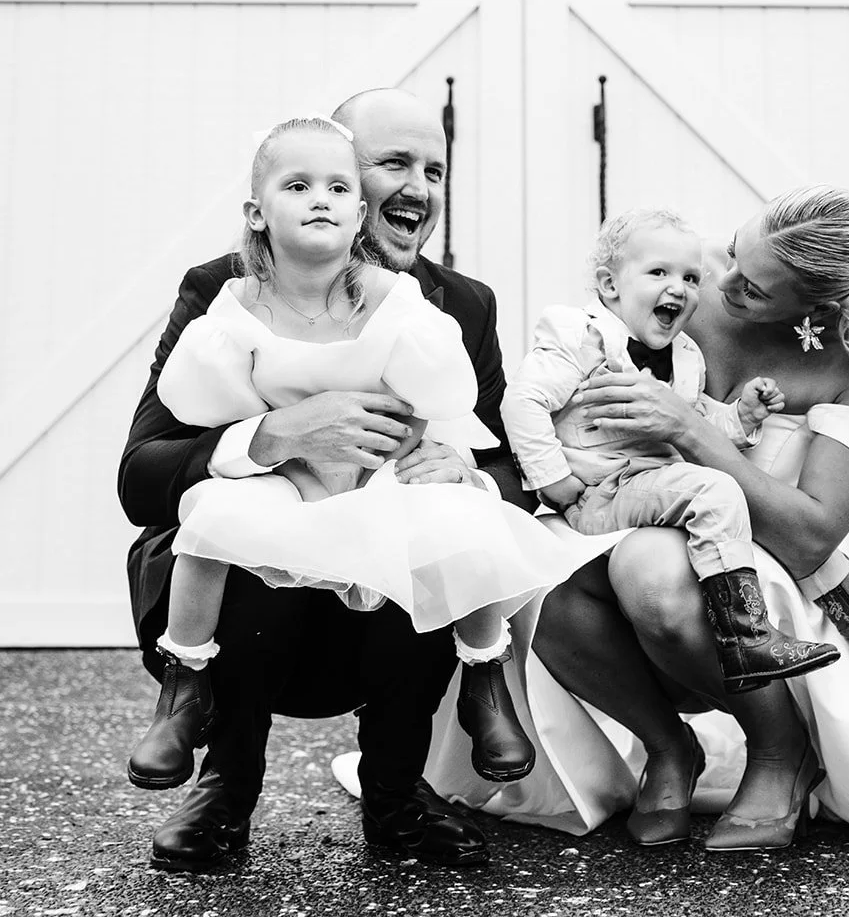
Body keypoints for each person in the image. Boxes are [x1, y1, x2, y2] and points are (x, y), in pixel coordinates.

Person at [418, 186, 849, 848]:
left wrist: (691, 431)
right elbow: (562, 393)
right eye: (731, 254)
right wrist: (489, 465)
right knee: (541, 571)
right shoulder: (682, 277)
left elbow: (812, 536)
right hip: (631, 505)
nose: (719, 283)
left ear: (815, 308)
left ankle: (780, 748)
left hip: (770, 554)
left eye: (753, 288)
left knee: (650, 569)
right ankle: (668, 745)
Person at [127, 116, 611, 806]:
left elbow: (509, 463)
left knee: (443, 527)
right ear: (263, 208)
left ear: (352, 206)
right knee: (227, 524)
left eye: (434, 171)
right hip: (274, 542)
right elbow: (142, 475)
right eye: (393, 163)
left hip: (384, 519)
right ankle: (221, 784)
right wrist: (272, 435)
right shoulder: (226, 289)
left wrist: (464, 473)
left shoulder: (457, 304)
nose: (418, 187)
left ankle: (401, 788)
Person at [502, 206, 842, 734]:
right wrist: (552, 480)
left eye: (690, 277)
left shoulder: (684, 355)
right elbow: (522, 401)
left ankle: (748, 626)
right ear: (609, 285)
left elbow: (694, 419)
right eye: (658, 272)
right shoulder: (581, 338)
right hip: (599, 494)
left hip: (643, 487)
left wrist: (743, 417)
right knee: (716, 489)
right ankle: (746, 633)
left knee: (714, 487)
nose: (678, 288)